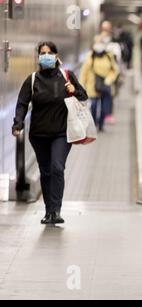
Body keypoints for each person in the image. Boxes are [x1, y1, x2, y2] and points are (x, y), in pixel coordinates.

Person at [12, 41, 88, 224]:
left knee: (57, 168)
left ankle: (57, 210)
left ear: (56, 55)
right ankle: (49, 211)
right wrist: (18, 124)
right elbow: (22, 103)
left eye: (49, 52)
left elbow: (84, 96)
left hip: (62, 133)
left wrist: (74, 90)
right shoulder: (32, 80)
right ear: (39, 56)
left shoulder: (66, 76)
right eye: (42, 53)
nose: (45, 56)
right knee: (45, 172)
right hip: (39, 135)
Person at [79, 40, 118, 132]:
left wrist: (109, 79)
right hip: (92, 87)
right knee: (94, 106)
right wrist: (81, 86)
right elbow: (83, 72)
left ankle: (101, 125)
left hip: (105, 87)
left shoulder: (109, 56)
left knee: (105, 108)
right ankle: (94, 124)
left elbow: (114, 70)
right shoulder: (89, 56)